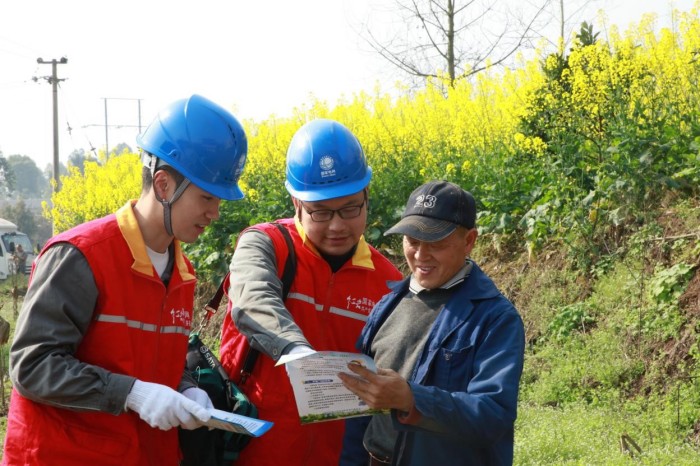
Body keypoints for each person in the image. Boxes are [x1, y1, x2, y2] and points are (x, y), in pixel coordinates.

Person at [2, 94, 248, 466]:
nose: (214, 213)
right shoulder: (81, 256)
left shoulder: (183, 274)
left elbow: (150, 359)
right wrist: (132, 393)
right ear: (164, 185)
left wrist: (186, 388)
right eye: (207, 198)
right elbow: (32, 366)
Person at [218, 118, 403, 466]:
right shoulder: (267, 245)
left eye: (351, 208)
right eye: (320, 212)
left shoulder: (387, 281)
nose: (337, 225)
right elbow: (253, 299)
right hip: (251, 452)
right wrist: (295, 350)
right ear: (296, 203)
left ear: (367, 196)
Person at [338, 180, 526, 466]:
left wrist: (411, 399)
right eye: (412, 241)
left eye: (436, 244)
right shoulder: (387, 306)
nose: (420, 255)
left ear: (469, 241)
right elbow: (359, 408)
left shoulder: (495, 319)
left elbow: (492, 415)